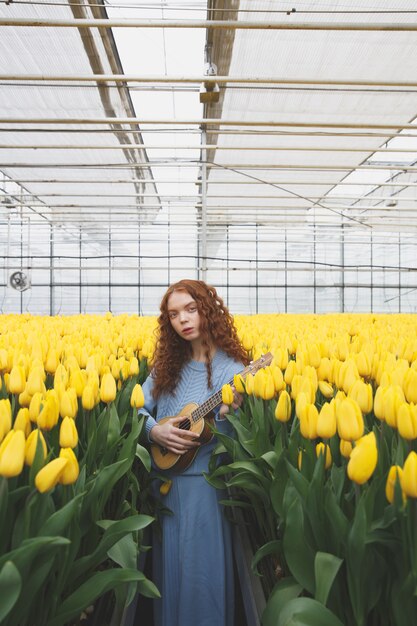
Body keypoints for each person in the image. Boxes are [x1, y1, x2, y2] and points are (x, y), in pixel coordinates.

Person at [139, 279, 249, 626]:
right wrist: (155, 429)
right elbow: (135, 410)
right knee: (169, 575)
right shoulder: (165, 368)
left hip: (207, 489)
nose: (183, 319)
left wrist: (236, 414)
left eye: (190, 309)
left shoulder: (236, 371)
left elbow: (243, 438)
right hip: (164, 488)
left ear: (208, 309)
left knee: (201, 579)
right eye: (173, 314)